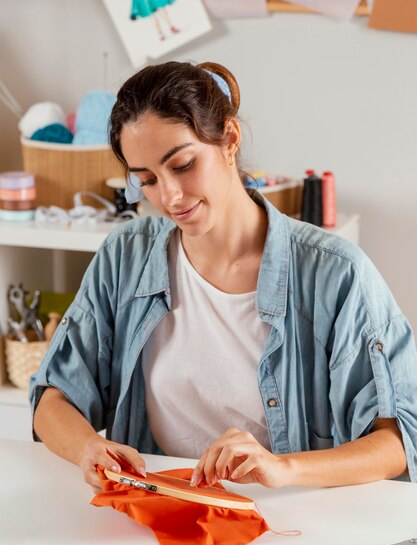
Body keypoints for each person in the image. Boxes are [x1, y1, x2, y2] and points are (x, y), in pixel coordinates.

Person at [31, 61, 417, 495]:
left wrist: (283, 468)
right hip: (162, 512)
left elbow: (397, 442)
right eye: (147, 180)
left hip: (289, 519)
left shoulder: (337, 274)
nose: (169, 197)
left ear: (229, 139)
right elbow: (52, 398)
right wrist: (87, 448)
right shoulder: (125, 257)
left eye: (182, 165)